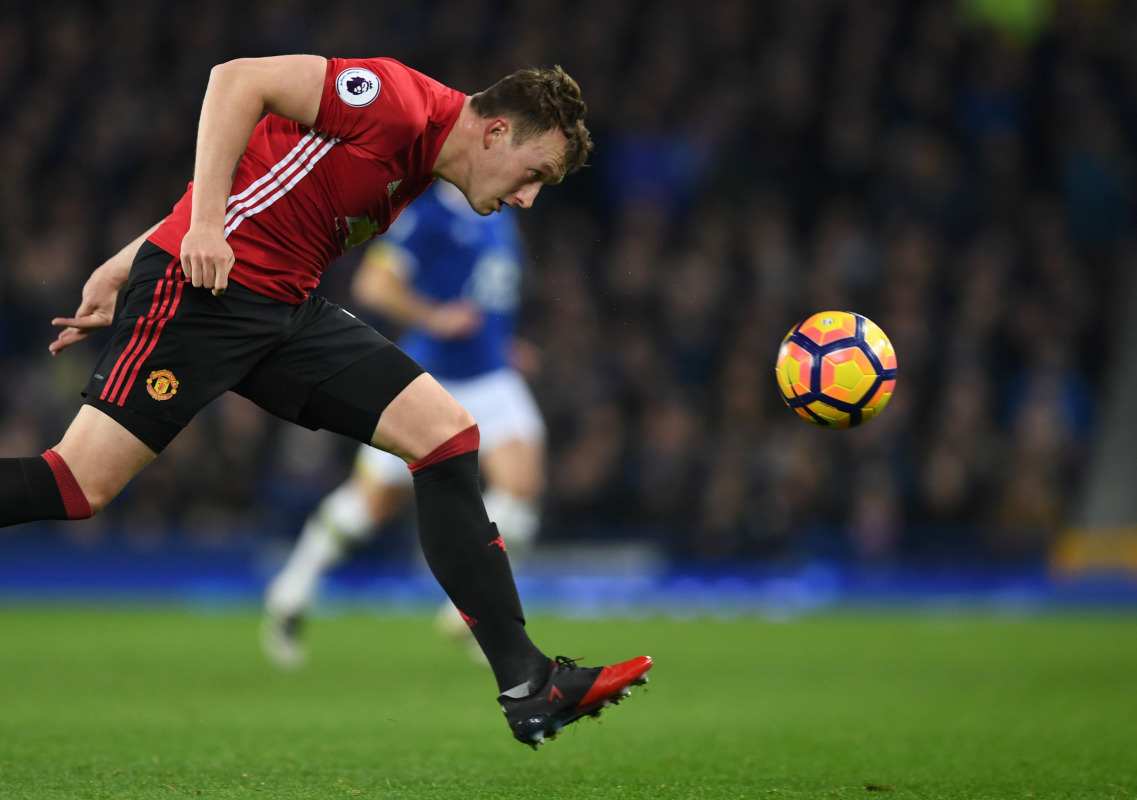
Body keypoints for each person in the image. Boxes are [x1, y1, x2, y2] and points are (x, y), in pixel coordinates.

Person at [1, 54, 650, 749]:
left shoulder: (424, 161)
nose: (528, 199)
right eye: (533, 176)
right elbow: (235, 80)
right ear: (494, 134)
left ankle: (529, 683)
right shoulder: (396, 102)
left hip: (285, 308)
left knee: (445, 432)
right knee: (76, 484)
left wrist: (130, 256)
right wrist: (193, 234)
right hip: (205, 297)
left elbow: (262, 173)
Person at [262, 179, 546, 669]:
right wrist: (433, 317)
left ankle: (476, 613)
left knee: (521, 492)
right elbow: (372, 285)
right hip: (430, 384)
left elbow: (484, 292)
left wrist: (501, 343)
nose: (530, 186)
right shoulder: (429, 216)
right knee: (371, 505)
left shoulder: (502, 211)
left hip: (492, 379)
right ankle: (291, 593)